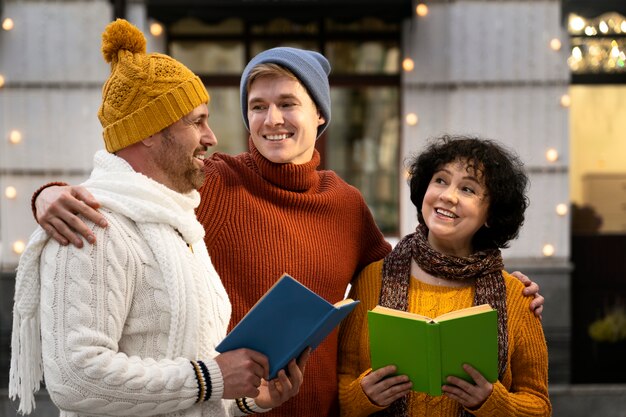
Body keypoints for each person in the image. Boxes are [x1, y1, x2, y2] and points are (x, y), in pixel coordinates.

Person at [30, 48, 545, 417]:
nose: (272, 119)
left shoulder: (345, 204)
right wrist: (48, 195)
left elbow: (409, 271)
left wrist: (503, 285)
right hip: (218, 403)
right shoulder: (213, 180)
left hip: (316, 409)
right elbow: (130, 183)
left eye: (288, 103)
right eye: (258, 106)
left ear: (319, 115)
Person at [9, 19, 308, 417]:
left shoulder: (181, 223)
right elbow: (75, 378)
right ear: (148, 132)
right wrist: (212, 378)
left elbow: (198, 372)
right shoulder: (94, 225)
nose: (211, 136)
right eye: (196, 121)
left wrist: (250, 398)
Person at [337, 135, 551, 417]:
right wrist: (362, 395)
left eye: (468, 189)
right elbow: (339, 384)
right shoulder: (373, 278)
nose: (448, 196)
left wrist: (494, 403)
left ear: (490, 213)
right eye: (440, 180)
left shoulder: (516, 296)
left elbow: (539, 406)